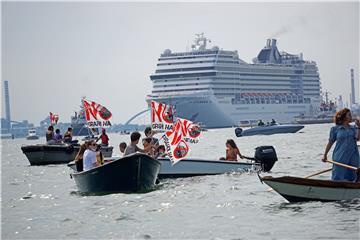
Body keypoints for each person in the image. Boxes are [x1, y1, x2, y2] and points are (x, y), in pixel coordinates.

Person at [322, 108, 360, 182]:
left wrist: (359, 127)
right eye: (349, 115)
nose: (351, 116)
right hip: (340, 156)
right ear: (343, 116)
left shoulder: (353, 128)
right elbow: (330, 142)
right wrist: (325, 155)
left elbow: (358, 138)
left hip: (353, 155)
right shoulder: (335, 129)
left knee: (354, 176)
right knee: (338, 176)